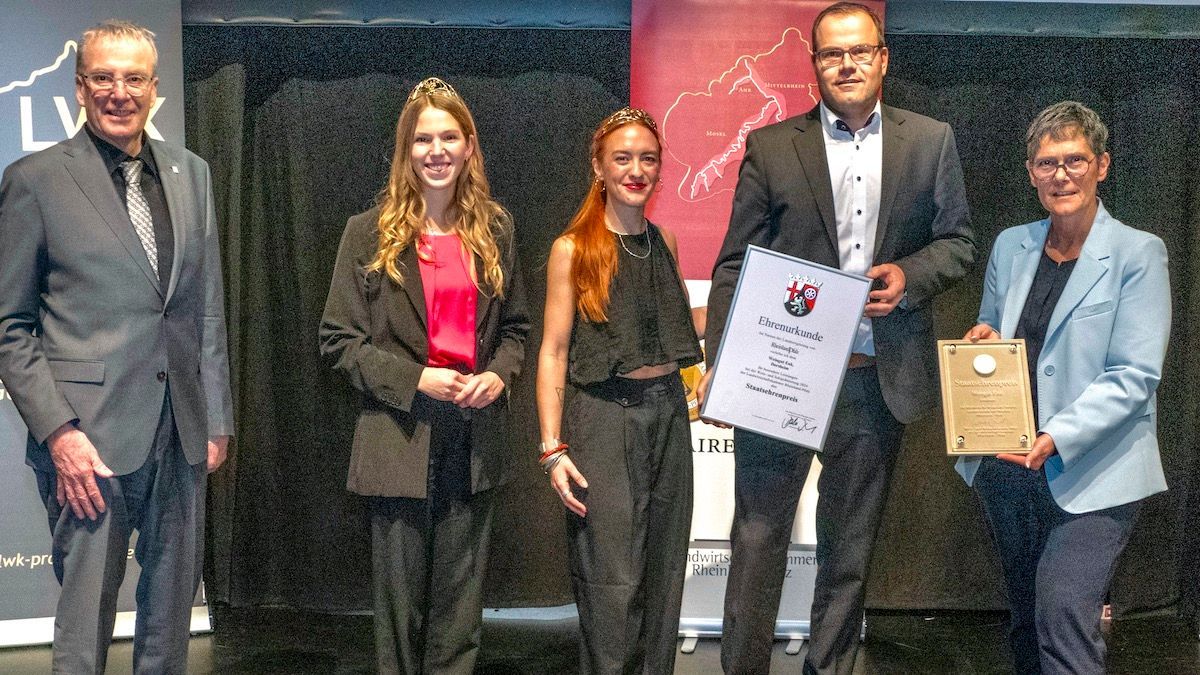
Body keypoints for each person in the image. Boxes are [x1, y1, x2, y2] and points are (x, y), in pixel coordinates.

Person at [697, 3, 975, 673]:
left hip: (872, 378)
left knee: (848, 553)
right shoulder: (771, 146)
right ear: (814, 64)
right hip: (781, 378)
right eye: (831, 53)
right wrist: (721, 366)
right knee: (757, 541)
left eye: (859, 51)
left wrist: (909, 275)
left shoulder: (929, 140)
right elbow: (734, 265)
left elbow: (959, 242)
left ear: (883, 58)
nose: (846, 64)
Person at [0, 20, 233, 673]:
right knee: (84, 626)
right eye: (103, 77)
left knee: (169, 623)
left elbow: (206, 305)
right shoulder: (34, 180)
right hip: (88, 444)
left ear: (154, 89)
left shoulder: (192, 174)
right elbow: (9, 325)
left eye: (134, 78)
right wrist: (59, 433)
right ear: (79, 86)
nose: (119, 92)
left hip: (181, 432)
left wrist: (216, 416)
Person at [319, 77, 528, 674]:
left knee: (460, 616)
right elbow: (338, 340)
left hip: (473, 439)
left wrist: (499, 376)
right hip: (398, 438)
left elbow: (517, 330)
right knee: (400, 614)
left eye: (448, 137)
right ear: (405, 150)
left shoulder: (497, 231)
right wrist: (416, 380)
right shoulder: (367, 232)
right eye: (422, 139)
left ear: (469, 146)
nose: (436, 151)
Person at [957, 101, 1170, 675]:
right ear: (1031, 173)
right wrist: (983, 340)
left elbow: (1135, 375)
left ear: (1102, 165)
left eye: (1075, 160)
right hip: (1009, 467)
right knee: (1028, 623)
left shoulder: (1138, 253)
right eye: (1047, 163)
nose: (1061, 174)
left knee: (1062, 619)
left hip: (1096, 470)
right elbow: (995, 334)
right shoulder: (1011, 245)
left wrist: (1055, 435)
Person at [536, 107, 702, 674]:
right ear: (599, 167)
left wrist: (759, 313)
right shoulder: (573, 249)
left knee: (663, 572)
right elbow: (554, 352)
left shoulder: (665, 242)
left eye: (648, 159)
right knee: (612, 580)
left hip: (669, 416)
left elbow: (669, 327)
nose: (637, 170)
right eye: (623, 158)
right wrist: (552, 448)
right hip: (604, 419)